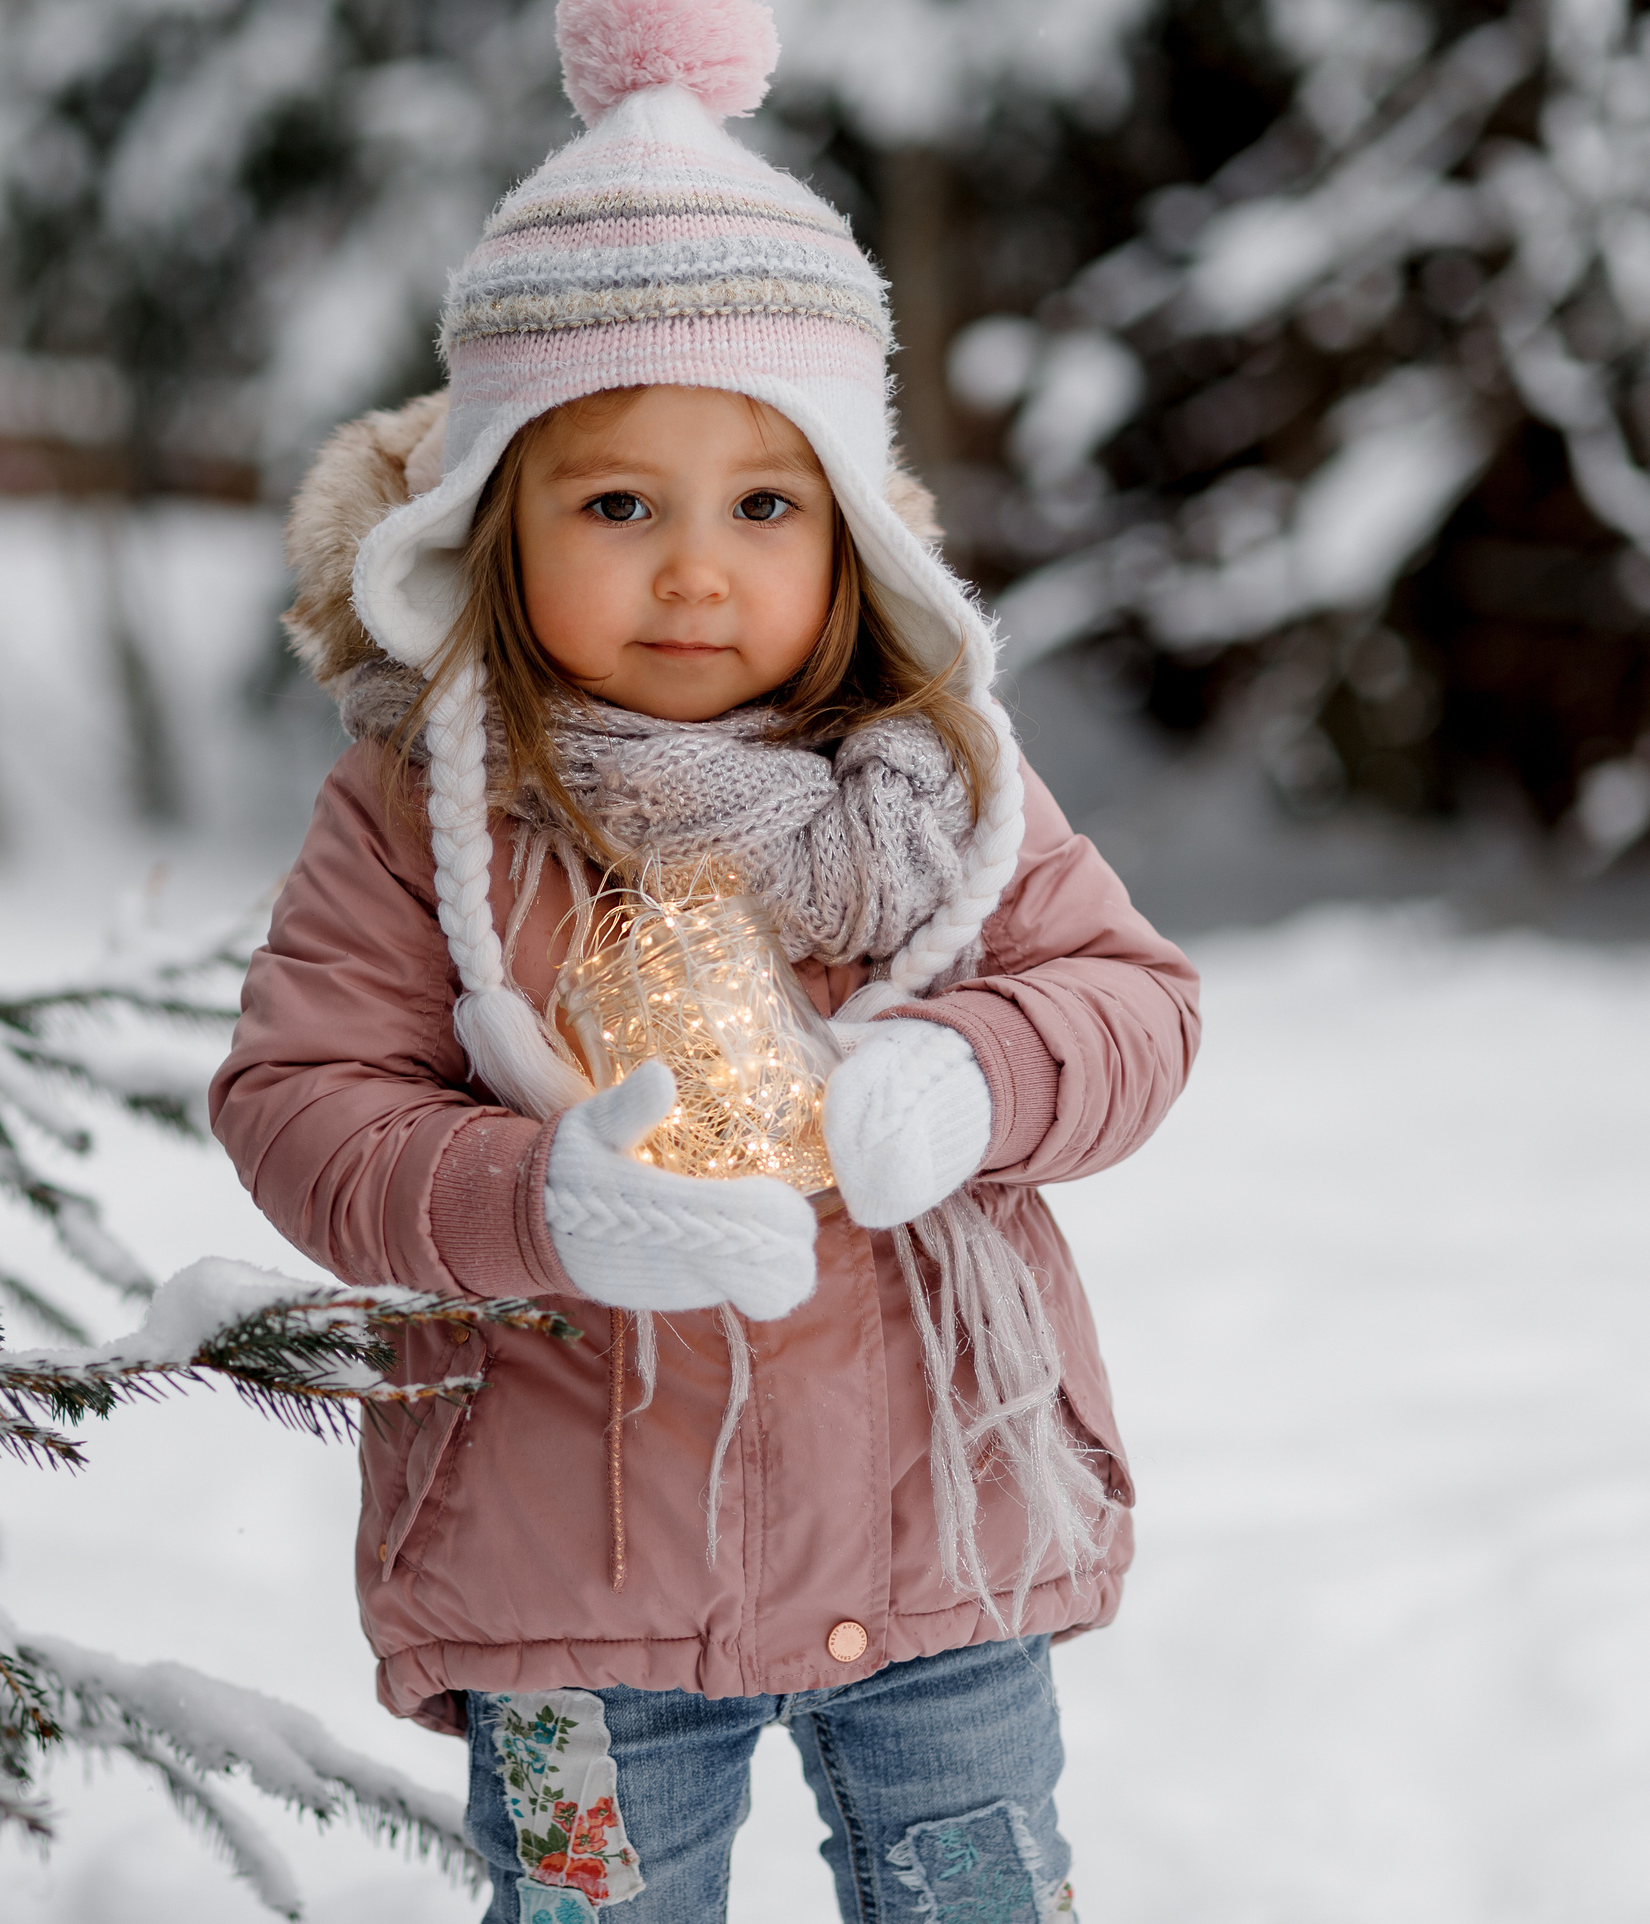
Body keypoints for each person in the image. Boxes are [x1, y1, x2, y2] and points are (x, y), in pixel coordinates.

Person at [208, 3, 1199, 1918]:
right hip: (564, 1574)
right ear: (494, 523)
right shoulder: (428, 809)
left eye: (763, 505)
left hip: (939, 1547)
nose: (694, 569)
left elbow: (1135, 1005)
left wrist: (982, 1072)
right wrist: (539, 1202)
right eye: (615, 506)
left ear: (853, 533)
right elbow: (301, 1109)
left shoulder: (945, 792)